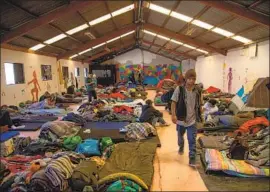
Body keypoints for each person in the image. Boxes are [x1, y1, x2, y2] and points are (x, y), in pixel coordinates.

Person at [171, 69, 202, 167]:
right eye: (190, 78)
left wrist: (200, 113)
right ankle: (181, 146)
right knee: (180, 137)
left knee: (192, 139)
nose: (192, 81)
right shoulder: (179, 89)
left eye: (194, 79)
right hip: (181, 119)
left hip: (192, 120)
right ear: (186, 79)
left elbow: (199, 103)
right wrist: (173, 115)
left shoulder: (197, 90)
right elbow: (173, 102)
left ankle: (192, 160)